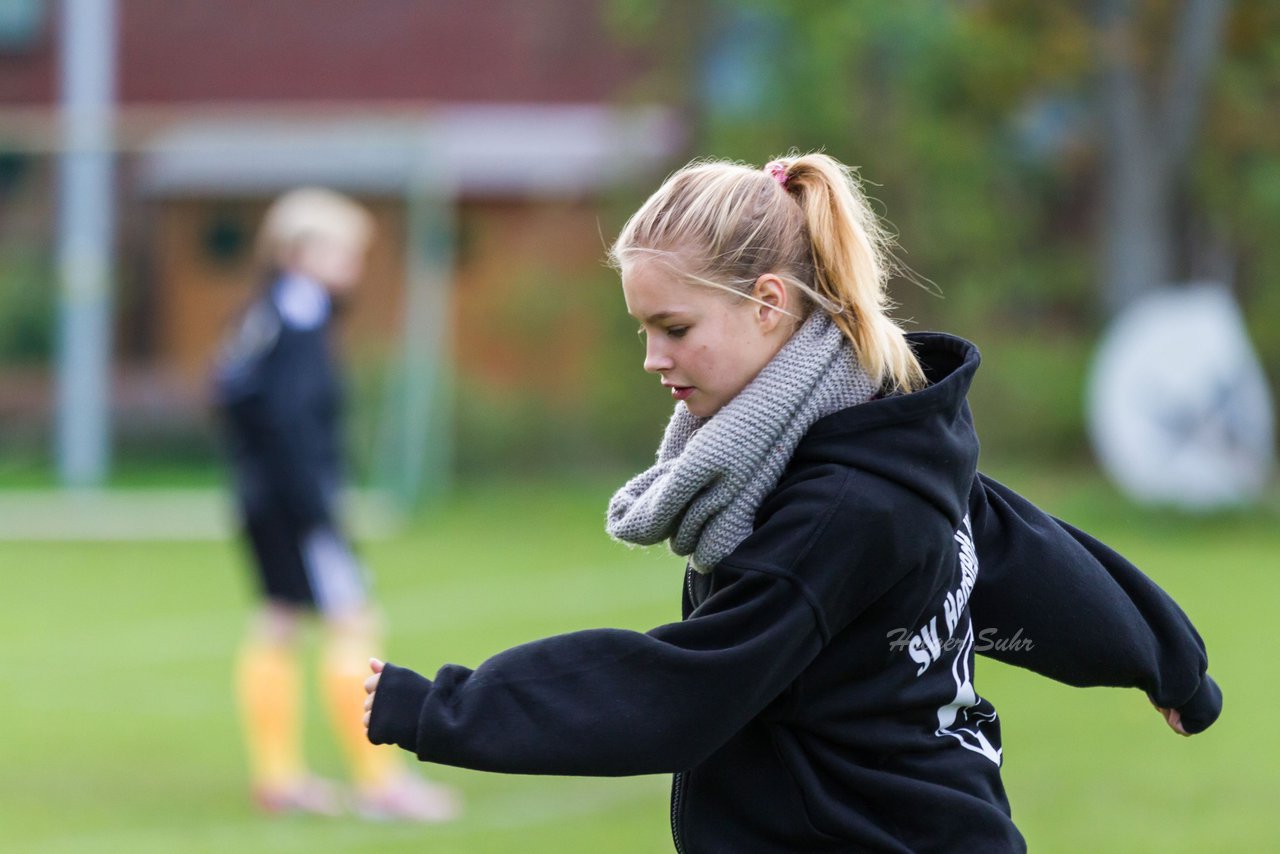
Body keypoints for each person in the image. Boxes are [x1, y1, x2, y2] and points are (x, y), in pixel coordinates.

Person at [362, 155, 1221, 851]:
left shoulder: (840, 505)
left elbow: (689, 687)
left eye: (676, 327)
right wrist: (1166, 659)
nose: (654, 358)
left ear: (770, 303)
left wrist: (437, 708)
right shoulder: (885, 442)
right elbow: (1019, 558)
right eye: (642, 330)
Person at [213, 187, 460, 822]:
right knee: (354, 620)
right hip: (295, 504)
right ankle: (380, 784)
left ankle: (278, 778)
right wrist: (317, 505)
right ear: (300, 252)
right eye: (343, 250)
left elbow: (233, 397)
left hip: (262, 497)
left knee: (279, 621)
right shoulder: (296, 317)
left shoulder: (265, 314)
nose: (354, 263)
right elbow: (285, 418)